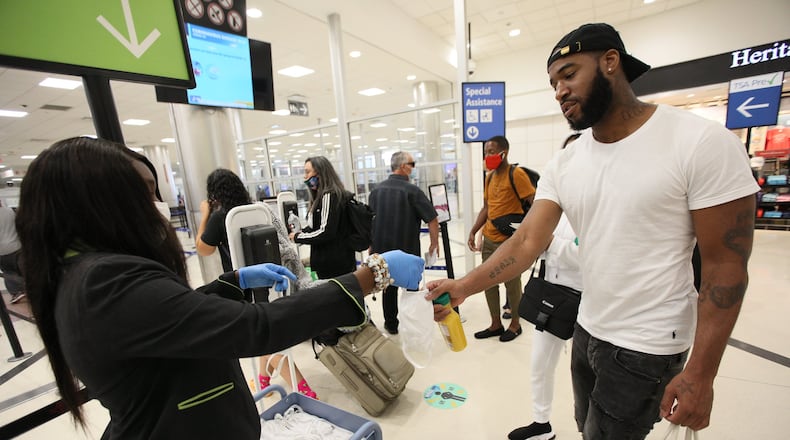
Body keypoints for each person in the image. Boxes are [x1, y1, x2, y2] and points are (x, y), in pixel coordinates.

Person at [428, 23, 758, 439]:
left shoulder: (698, 142)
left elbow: (725, 265)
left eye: (568, 74)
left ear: (610, 62)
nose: (559, 91)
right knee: (587, 429)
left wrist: (702, 374)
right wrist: (464, 286)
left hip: (649, 343)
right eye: (553, 83)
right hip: (587, 328)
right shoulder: (567, 163)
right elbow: (528, 239)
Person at [15, 136, 424, 440]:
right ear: (98, 203)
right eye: (143, 193)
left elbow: (171, 319)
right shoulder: (103, 281)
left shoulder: (90, 274)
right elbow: (256, 328)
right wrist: (373, 274)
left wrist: (232, 282)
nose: (158, 204)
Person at [196, 168, 317, 399]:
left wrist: (205, 214)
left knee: (267, 342)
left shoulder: (221, 216)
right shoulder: (256, 211)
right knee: (265, 334)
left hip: (245, 286)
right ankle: (263, 381)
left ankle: (304, 391)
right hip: (274, 279)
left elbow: (203, 248)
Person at [508, 133, 582, 440]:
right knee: (540, 364)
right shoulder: (555, 205)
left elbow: (590, 254)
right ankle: (541, 423)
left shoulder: (596, 205)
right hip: (553, 296)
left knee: (588, 375)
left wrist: (550, 244)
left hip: (592, 300)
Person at [468, 135, 535, 342]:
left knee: (512, 283)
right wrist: (473, 230)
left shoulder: (517, 174)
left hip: (509, 240)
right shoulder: (489, 177)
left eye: (491, 151)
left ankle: (515, 324)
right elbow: (487, 208)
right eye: (485, 152)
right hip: (489, 238)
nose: (487, 156)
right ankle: (495, 323)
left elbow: (534, 203)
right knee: (487, 281)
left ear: (503, 152)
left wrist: (529, 235)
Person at [369, 151, 439, 335]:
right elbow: (432, 219)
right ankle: (411, 323)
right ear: (402, 166)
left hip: (382, 251)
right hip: (407, 251)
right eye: (411, 163)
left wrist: (370, 246)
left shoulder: (376, 191)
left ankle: (391, 324)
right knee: (411, 289)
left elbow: (369, 221)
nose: (413, 168)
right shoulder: (412, 191)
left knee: (388, 286)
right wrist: (434, 244)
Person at [290, 156, 356, 279]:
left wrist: (298, 237)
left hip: (334, 265)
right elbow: (317, 227)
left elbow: (326, 232)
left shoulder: (329, 196)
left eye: (308, 172)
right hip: (337, 262)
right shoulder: (325, 197)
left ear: (320, 173)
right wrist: (302, 232)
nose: (305, 177)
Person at [0, 202, 25, 304]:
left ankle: (15, 293)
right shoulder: (10, 211)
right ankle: (28, 289)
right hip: (16, 247)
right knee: (23, 270)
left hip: (1, 251)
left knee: (8, 272)